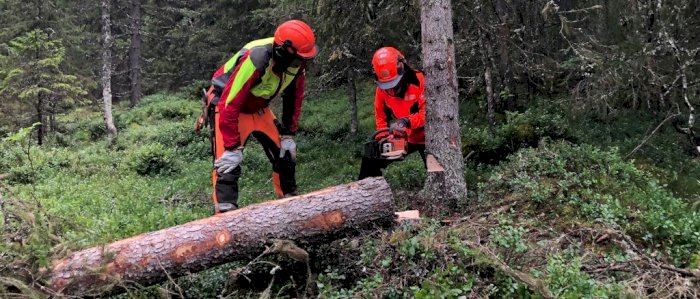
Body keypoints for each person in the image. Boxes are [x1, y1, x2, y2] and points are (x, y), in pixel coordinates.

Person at [204, 20, 318, 213]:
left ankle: (291, 206)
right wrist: (232, 146)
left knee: (285, 154)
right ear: (284, 52)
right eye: (298, 58)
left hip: (258, 106)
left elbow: (294, 97)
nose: (301, 63)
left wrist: (288, 133)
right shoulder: (257, 57)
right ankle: (225, 217)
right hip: (227, 105)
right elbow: (229, 103)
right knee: (227, 165)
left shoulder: (297, 65)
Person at [358, 47, 426, 179]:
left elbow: (427, 114)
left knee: (437, 171)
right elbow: (381, 116)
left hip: (427, 137)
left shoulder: (419, 80)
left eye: (394, 84)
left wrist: (406, 121)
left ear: (402, 67)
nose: (391, 89)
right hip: (403, 136)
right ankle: (368, 193)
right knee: (371, 158)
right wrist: (383, 136)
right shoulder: (381, 90)